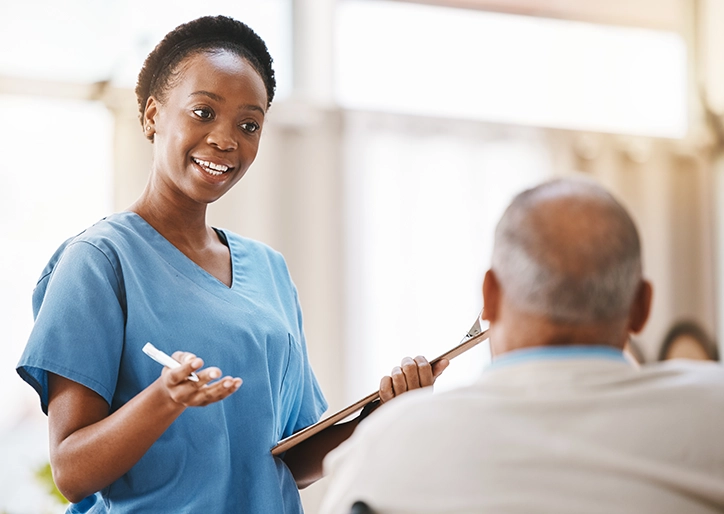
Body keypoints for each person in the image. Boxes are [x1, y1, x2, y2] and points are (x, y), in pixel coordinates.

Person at [15, 16, 446, 513]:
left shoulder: (268, 269)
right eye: (203, 112)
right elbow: (72, 472)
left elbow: (288, 461)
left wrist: (381, 412)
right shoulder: (97, 262)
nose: (226, 140)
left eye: (249, 124)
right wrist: (165, 400)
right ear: (153, 115)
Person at [320, 177, 724, 514]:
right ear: (641, 307)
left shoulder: (387, 447)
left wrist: (413, 417)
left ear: (490, 296)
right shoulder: (713, 413)